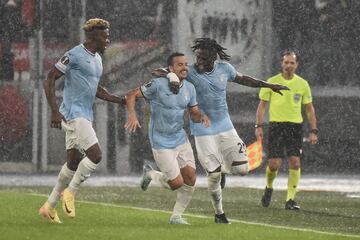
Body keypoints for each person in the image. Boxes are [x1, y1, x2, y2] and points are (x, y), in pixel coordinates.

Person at [153, 38, 289, 224]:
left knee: (242, 169)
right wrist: (171, 76)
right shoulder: (190, 71)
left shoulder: (224, 68)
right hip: (202, 129)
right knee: (214, 174)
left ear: (213, 56)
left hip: (226, 126)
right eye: (197, 57)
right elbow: (162, 71)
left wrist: (269, 85)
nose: (199, 61)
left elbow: (245, 80)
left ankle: (223, 168)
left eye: (203, 58)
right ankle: (219, 214)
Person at [39, 18, 126, 224]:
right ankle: (70, 192)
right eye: (105, 36)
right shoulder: (75, 54)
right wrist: (54, 111)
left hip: (84, 114)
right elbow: (50, 77)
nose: (108, 40)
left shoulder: (97, 58)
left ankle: (49, 206)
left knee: (73, 163)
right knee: (95, 155)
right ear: (93, 36)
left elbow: (95, 88)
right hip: (73, 114)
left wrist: (119, 100)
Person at [124, 52, 209, 225]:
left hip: (180, 138)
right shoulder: (158, 85)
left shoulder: (190, 88)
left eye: (186, 64)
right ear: (170, 68)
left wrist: (201, 117)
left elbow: (193, 113)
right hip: (161, 140)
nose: (184, 67)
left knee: (191, 178)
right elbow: (131, 94)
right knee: (176, 183)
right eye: (180, 65)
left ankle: (176, 216)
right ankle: (151, 174)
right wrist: (132, 115)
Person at [255, 50, 318, 210]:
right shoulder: (271, 82)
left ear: (296, 65)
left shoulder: (302, 84)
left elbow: (309, 109)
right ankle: (269, 187)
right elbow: (262, 105)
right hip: (276, 126)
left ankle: (290, 200)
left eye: (292, 62)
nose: (289, 65)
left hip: (295, 127)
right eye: (286, 62)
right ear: (281, 64)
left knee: (295, 162)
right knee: (274, 164)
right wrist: (259, 125)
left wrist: (313, 130)